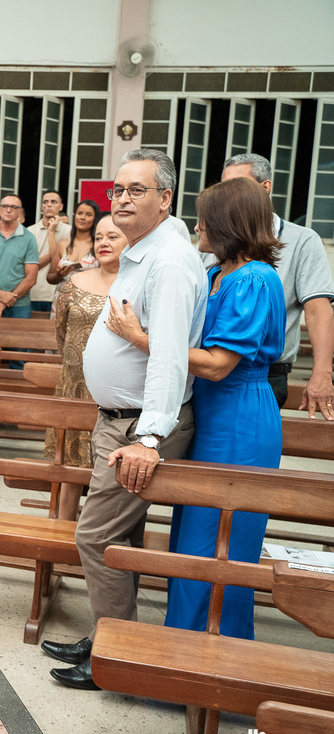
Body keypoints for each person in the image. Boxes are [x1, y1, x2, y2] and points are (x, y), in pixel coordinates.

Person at [41, 149, 207, 691]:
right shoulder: (143, 252)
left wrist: (150, 437)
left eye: (137, 190)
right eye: (118, 190)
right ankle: (111, 640)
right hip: (118, 419)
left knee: (94, 536)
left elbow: (170, 357)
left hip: (139, 426)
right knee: (120, 539)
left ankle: (116, 658)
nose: (123, 199)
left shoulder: (169, 261)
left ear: (166, 198)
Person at [105, 178, 285, 639]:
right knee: (190, 540)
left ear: (228, 223)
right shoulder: (214, 274)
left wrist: (141, 339)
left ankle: (218, 649)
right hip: (208, 414)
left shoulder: (255, 279)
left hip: (239, 420)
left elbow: (220, 365)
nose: (198, 226)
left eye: (205, 219)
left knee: (222, 544)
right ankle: (181, 645)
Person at [217, 153, 333, 419]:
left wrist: (322, 373)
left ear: (265, 187)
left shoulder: (302, 240)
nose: (226, 196)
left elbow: (318, 311)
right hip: (208, 366)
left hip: (265, 373)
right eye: (223, 187)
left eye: (237, 186)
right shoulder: (215, 240)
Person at [43, 215, 124, 468]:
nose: (103, 243)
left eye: (112, 237)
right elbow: (61, 333)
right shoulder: (74, 283)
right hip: (75, 384)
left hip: (115, 391)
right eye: (98, 238)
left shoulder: (136, 285)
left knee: (108, 469)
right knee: (69, 466)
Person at [0, 194, 39, 319]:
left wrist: (4, 301)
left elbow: (31, 278)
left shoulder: (29, 238)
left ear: (20, 212)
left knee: (21, 333)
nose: (8, 210)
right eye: (5, 206)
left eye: (13, 207)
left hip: (19, 306)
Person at [28, 190, 72, 313]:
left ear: (61, 206)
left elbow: (64, 263)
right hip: (35, 292)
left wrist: (51, 232)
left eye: (53, 202)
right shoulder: (31, 231)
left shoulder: (69, 231)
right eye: (45, 202)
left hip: (60, 292)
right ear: (42, 206)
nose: (49, 205)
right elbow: (30, 266)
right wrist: (57, 252)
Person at [47, 200, 100, 285]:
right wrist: (59, 274)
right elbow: (50, 278)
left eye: (88, 215)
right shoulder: (63, 244)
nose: (83, 217)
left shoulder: (99, 246)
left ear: (95, 219)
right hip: (63, 292)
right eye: (80, 213)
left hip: (89, 292)